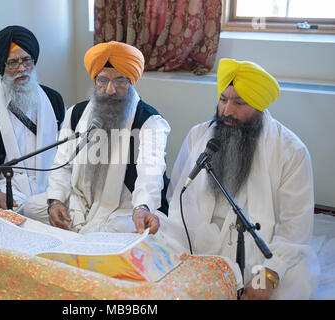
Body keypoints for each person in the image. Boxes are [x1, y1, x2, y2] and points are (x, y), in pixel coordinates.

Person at [159, 58, 320, 299]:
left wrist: (268, 274)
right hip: (200, 241)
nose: (227, 111)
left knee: (294, 282)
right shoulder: (199, 135)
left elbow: (295, 227)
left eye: (240, 102)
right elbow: (177, 197)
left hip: (261, 249)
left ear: (259, 106)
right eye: (223, 100)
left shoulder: (291, 151)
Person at [23, 41, 170, 235]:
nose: (110, 89)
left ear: (131, 81)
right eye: (102, 80)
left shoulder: (150, 121)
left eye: (119, 80)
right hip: (80, 201)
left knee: (115, 229)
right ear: (95, 80)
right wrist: (56, 201)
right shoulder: (76, 113)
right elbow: (62, 164)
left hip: (124, 207)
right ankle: (80, 231)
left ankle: (81, 234)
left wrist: (142, 208)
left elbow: (150, 172)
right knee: (31, 206)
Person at [0, 25, 66, 216]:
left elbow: (67, 152)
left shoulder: (54, 100)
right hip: (9, 190)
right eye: (12, 63)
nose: (21, 68)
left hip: (53, 185)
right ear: (1, 66)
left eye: (26, 60)